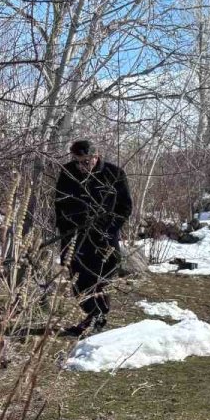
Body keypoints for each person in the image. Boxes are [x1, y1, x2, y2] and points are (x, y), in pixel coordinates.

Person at [54, 139, 132, 336]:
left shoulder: (114, 174)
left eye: (86, 162)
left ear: (96, 157)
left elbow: (125, 207)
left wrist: (109, 228)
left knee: (101, 278)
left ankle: (97, 317)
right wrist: (65, 231)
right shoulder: (68, 172)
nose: (81, 166)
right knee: (78, 280)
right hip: (75, 235)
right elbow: (60, 204)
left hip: (104, 237)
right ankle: (93, 315)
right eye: (78, 161)